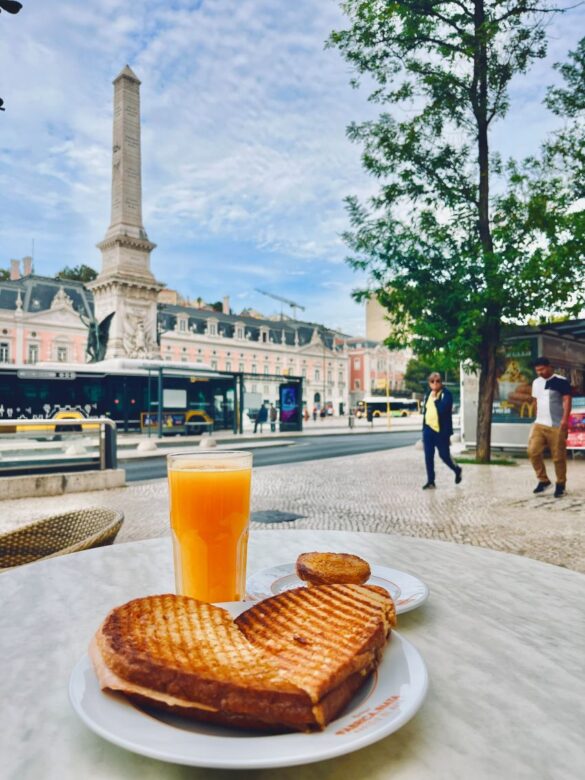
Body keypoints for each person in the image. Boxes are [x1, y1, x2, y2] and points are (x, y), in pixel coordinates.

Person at [527, 357, 572, 497]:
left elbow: (567, 400)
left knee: (558, 457)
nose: (539, 372)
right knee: (532, 451)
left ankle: (560, 484)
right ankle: (544, 480)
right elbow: (535, 401)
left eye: (542, 369)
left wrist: (565, 419)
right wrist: (534, 417)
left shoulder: (561, 381)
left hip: (556, 425)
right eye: (537, 370)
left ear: (549, 367)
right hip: (539, 423)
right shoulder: (536, 383)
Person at [421, 372, 462, 490]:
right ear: (429, 383)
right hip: (428, 430)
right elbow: (426, 412)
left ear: (441, 382)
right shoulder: (428, 394)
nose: (435, 383)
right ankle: (430, 481)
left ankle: (457, 470)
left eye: (438, 381)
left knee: (444, 456)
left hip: (441, 431)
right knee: (428, 456)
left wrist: (435, 399)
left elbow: (443, 410)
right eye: (432, 381)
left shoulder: (446, 394)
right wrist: (424, 429)